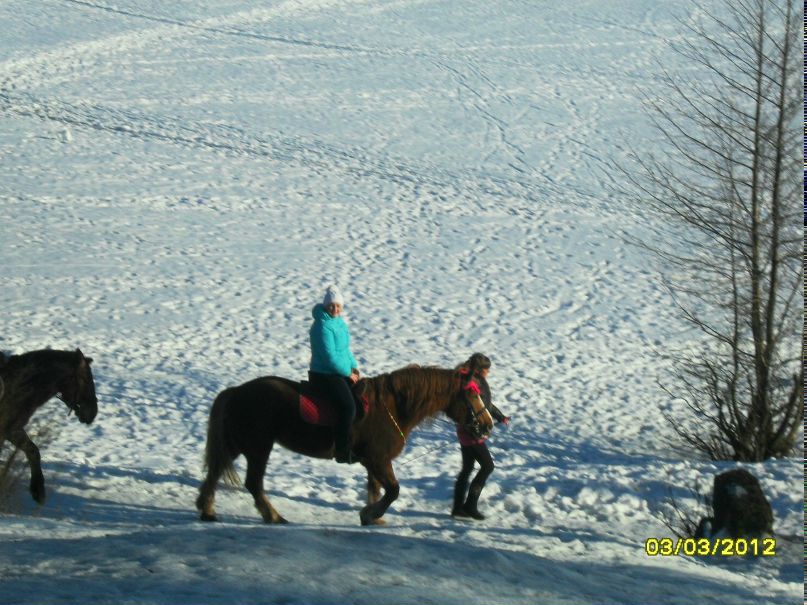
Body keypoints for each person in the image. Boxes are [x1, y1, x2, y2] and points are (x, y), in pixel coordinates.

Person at [452, 353, 509, 520]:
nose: (488, 373)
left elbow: (485, 405)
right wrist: (473, 424)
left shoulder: (475, 381)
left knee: (467, 469)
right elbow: (473, 407)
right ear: (478, 369)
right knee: (487, 466)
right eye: (486, 370)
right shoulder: (469, 384)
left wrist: (499, 416)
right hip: (471, 433)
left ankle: (457, 508)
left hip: (469, 432)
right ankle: (470, 506)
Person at [309, 285, 362, 464]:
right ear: (325, 306)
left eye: (338, 306)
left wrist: (354, 367)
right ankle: (342, 451)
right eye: (331, 305)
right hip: (324, 375)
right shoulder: (321, 327)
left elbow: (345, 350)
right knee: (348, 407)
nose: (335, 309)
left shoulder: (339, 323)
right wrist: (348, 373)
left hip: (339, 373)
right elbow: (330, 357)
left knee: (361, 398)